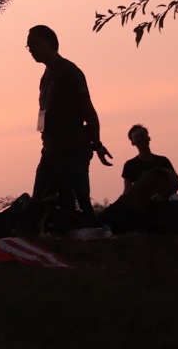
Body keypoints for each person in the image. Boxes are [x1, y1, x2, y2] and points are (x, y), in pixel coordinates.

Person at [26, 25, 112, 219]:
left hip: (71, 151)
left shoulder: (69, 71)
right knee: (39, 204)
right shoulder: (46, 77)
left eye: (33, 44)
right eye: (28, 46)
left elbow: (89, 112)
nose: (30, 49)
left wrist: (96, 144)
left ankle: (90, 231)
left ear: (49, 42)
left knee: (78, 205)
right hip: (50, 149)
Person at [120, 124, 178, 201]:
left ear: (148, 138)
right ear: (133, 142)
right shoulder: (130, 165)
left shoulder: (163, 161)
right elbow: (127, 191)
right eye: (137, 137)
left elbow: (174, 182)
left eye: (142, 135)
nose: (141, 139)